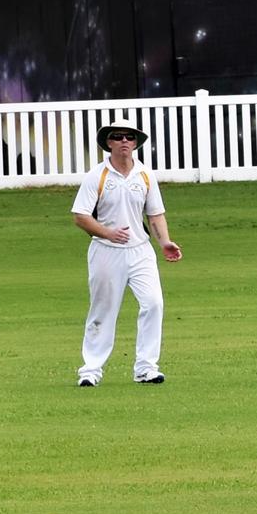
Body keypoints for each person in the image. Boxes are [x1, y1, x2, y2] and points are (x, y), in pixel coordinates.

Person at [70, 119, 183, 386]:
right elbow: (80, 216)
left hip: (141, 250)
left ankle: (146, 368)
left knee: (153, 303)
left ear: (135, 143)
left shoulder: (145, 175)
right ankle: (91, 370)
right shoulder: (96, 176)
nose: (124, 141)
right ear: (108, 142)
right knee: (103, 310)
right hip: (106, 251)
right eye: (118, 137)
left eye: (129, 138)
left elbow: (155, 214)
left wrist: (165, 241)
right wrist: (107, 233)